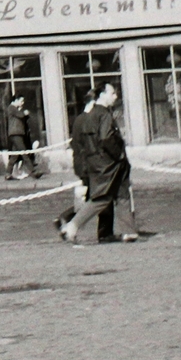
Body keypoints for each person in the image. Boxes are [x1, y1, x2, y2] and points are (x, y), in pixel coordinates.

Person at [63, 83, 138, 244]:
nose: (115, 96)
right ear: (102, 95)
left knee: (122, 192)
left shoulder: (90, 115)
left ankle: (130, 231)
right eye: (112, 93)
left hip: (97, 163)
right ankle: (72, 226)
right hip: (109, 164)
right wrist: (118, 155)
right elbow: (106, 138)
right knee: (103, 198)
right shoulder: (104, 114)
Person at [56, 89, 115, 242]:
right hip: (90, 164)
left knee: (93, 197)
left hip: (84, 164)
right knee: (101, 197)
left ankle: (67, 218)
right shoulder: (88, 120)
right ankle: (104, 233)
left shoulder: (80, 119)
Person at [5, 98, 32, 180]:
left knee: (14, 155)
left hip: (17, 134)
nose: (22, 103)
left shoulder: (15, 109)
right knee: (24, 153)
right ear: (16, 100)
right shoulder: (12, 108)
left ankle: (8, 173)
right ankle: (33, 171)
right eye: (21, 101)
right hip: (16, 134)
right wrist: (24, 112)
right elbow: (21, 115)